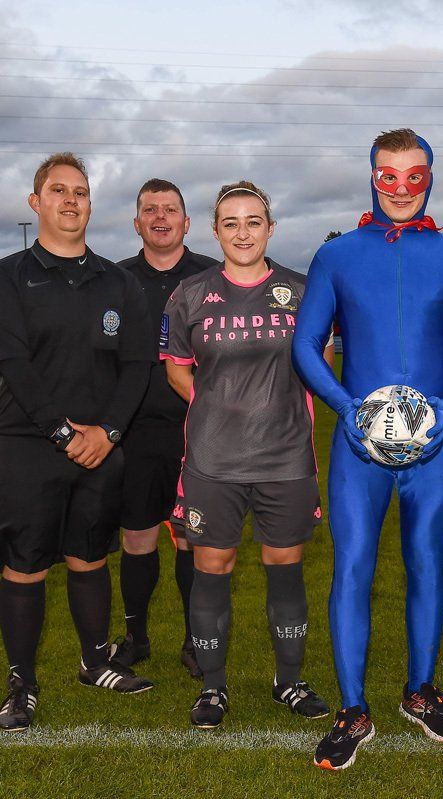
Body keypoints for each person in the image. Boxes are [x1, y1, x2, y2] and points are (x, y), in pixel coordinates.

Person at [292, 128, 443, 770]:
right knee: (352, 567)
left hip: (433, 442)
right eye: (389, 175)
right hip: (360, 443)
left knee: (426, 565)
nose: (402, 188)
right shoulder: (338, 256)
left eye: (415, 175)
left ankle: (420, 690)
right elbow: (305, 344)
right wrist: (348, 407)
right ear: (370, 175)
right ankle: (353, 710)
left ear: (431, 176)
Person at [0, 152, 155, 732]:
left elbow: (136, 368)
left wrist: (105, 433)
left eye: (80, 191)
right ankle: (21, 682)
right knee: (25, 565)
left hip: (101, 446)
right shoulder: (5, 276)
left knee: (90, 555)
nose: (71, 200)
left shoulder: (118, 282)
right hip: (28, 445)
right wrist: (62, 433)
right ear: (36, 203)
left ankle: (94, 660)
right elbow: (13, 364)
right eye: (58, 191)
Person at [162, 180, 333, 730]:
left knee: (285, 569)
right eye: (231, 223)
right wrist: (221, 409)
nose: (242, 232)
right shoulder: (189, 293)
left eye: (253, 221)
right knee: (213, 566)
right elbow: (177, 368)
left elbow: (320, 364)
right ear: (216, 231)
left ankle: (289, 680)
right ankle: (213, 687)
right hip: (213, 462)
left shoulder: (302, 292)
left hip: (286, 459)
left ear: (270, 228)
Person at [111, 178, 219, 679]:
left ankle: (196, 640)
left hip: (198, 431)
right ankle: (135, 636)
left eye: (170, 209)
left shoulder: (211, 277)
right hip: (132, 433)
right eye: (150, 210)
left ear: (185, 222)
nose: (160, 217)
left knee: (191, 538)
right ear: (137, 223)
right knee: (138, 539)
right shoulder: (114, 280)